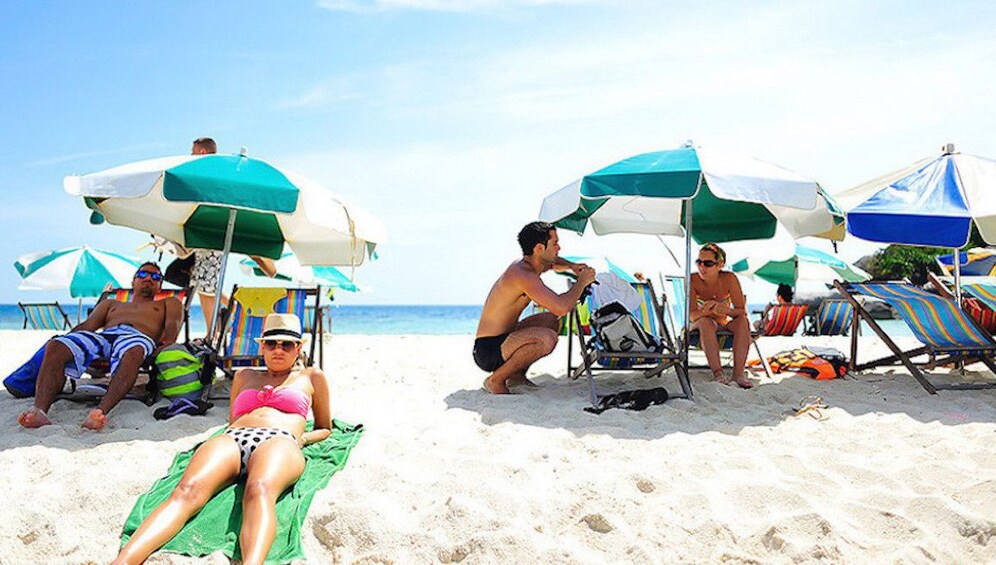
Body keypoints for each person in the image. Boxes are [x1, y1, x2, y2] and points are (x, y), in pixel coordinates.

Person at [112, 313, 331, 565]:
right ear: (261, 346)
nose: (278, 349)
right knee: (186, 491)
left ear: (298, 348)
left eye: (286, 344)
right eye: (271, 343)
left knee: (259, 490)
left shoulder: (312, 377)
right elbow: (232, 419)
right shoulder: (244, 376)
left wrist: (301, 439)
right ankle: (123, 562)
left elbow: (325, 426)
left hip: (280, 440)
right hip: (234, 437)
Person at [17, 263, 183, 430]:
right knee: (56, 345)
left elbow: (170, 336)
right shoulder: (111, 304)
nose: (148, 278)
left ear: (160, 286)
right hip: (104, 337)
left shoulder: (169, 303)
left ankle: (100, 411)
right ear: (133, 281)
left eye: (155, 277)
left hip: (138, 337)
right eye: (143, 274)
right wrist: (62, 341)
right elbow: (86, 327)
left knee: (135, 350)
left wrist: (157, 353)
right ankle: (40, 411)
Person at [475, 221, 596, 394]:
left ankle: (516, 375)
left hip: (506, 338)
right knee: (547, 338)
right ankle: (495, 380)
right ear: (539, 248)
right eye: (555, 243)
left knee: (550, 320)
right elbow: (561, 307)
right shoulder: (522, 274)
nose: (559, 247)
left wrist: (571, 266)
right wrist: (582, 282)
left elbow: (553, 263)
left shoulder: (533, 264)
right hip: (489, 349)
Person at [187, 137, 275, 336]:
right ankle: (213, 331)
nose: (191, 156)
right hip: (207, 234)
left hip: (212, 233)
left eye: (193, 152)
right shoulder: (213, 172)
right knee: (203, 286)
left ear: (201, 152)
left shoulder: (208, 173)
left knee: (207, 285)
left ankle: (235, 307)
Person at [689, 243, 754, 389]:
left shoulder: (729, 279)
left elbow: (741, 311)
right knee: (706, 322)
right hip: (698, 325)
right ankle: (718, 373)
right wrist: (710, 310)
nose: (702, 267)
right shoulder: (692, 280)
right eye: (699, 262)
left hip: (722, 323)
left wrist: (724, 310)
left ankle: (738, 375)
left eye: (708, 263)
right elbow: (693, 316)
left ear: (720, 264)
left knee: (743, 322)